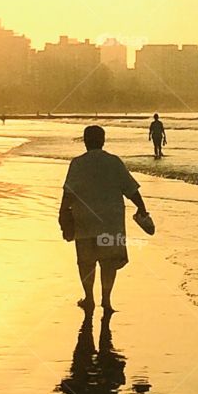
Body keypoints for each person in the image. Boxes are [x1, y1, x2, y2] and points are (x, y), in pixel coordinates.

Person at [59, 125, 150, 313]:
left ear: (85, 141)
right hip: (110, 222)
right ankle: (106, 300)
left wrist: (62, 212)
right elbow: (131, 189)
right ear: (103, 141)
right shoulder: (114, 162)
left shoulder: (77, 163)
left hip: (84, 221)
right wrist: (142, 208)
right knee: (108, 262)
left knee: (86, 262)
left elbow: (69, 192)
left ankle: (89, 298)